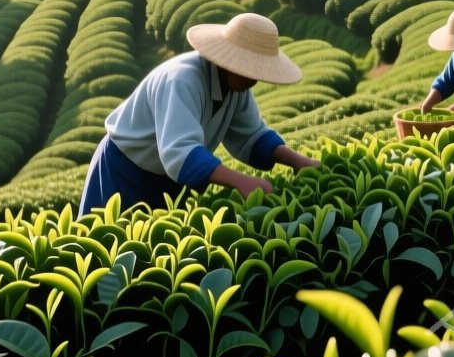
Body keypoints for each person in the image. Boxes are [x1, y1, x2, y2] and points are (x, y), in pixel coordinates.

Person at [80, 12, 319, 215]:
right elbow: (180, 151)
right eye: (249, 69)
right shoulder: (181, 80)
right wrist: (240, 182)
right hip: (122, 172)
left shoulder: (237, 87)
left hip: (168, 181)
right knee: (107, 257)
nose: (253, 80)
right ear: (229, 61)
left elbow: (251, 136)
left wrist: (298, 161)